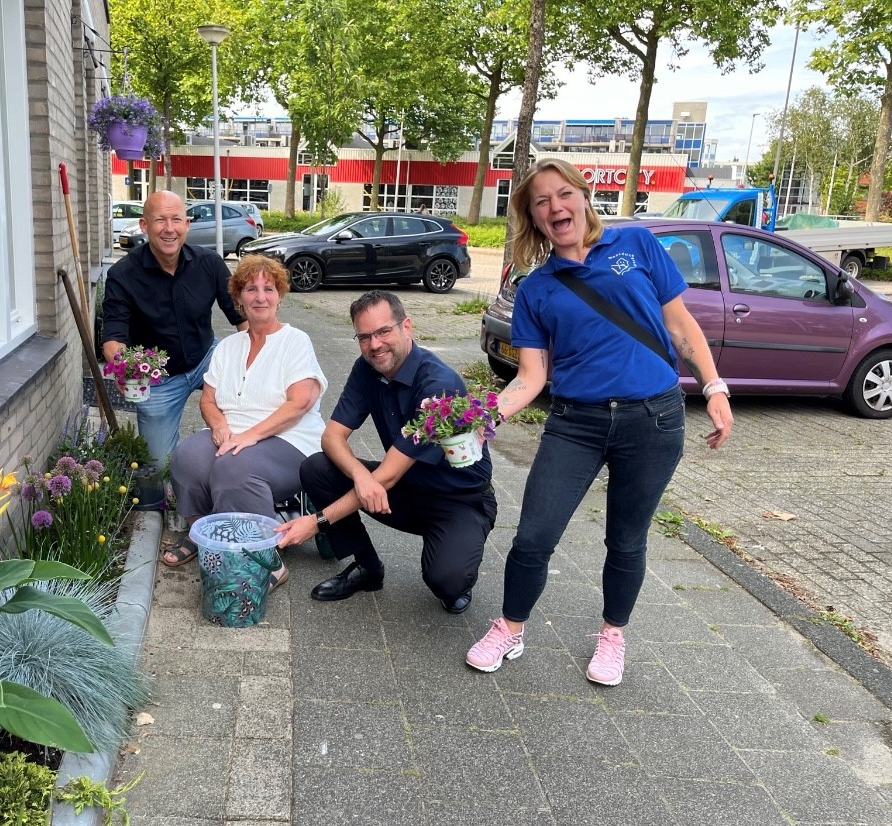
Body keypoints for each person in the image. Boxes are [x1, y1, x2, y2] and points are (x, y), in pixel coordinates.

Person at [465, 158, 734, 684]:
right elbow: (529, 377)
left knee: (627, 539)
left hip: (653, 419)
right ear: (533, 217)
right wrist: (482, 416)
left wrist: (714, 386)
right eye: (541, 202)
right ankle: (510, 627)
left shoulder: (637, 245)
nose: (555, 207)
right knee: (533, 537)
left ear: (584, 196)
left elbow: (680, 326)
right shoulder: (537, 289)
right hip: (575, 424)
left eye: (562, 194)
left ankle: (613, 636)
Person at [276, 290, 497, 614]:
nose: (374, 344)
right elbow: (332, 437)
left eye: (383, 332)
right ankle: (367, 567)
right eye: (364, 337)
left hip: (458, 499)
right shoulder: (366, 369)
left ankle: (455, 561)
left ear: (406, 327)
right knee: (317, 469)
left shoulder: (438, 383)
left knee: (446, 581)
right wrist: (360, 475)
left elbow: (389, 473)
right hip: (404, 489)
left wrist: (316, 521)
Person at [162, 255, 328, 591]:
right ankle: (205, 533)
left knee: (233, 468)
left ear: (280, 295)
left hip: (291, 440)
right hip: (236, 436)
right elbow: (207, 400)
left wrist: (249, 436)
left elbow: (301, 402)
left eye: (269, 288)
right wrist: (220, 427)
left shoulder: (295, 341)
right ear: (238, 299)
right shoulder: (227, 346)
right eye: (251, 289)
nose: (260, 296)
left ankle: (269, 562)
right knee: (187, 457)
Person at [101, 191, 247, 469]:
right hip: (158, 379)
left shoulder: (210, 263)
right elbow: (113, 339)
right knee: (157, 465)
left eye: (176, 220)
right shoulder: (123, 275)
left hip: (207, 358)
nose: (169, 229)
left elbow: (241, 317)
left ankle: (232, 476)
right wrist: (125, 369)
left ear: (187, 224)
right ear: (144, 225)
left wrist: (258, 360)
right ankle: (164, 504)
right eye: (160, 220)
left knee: (246, 419)